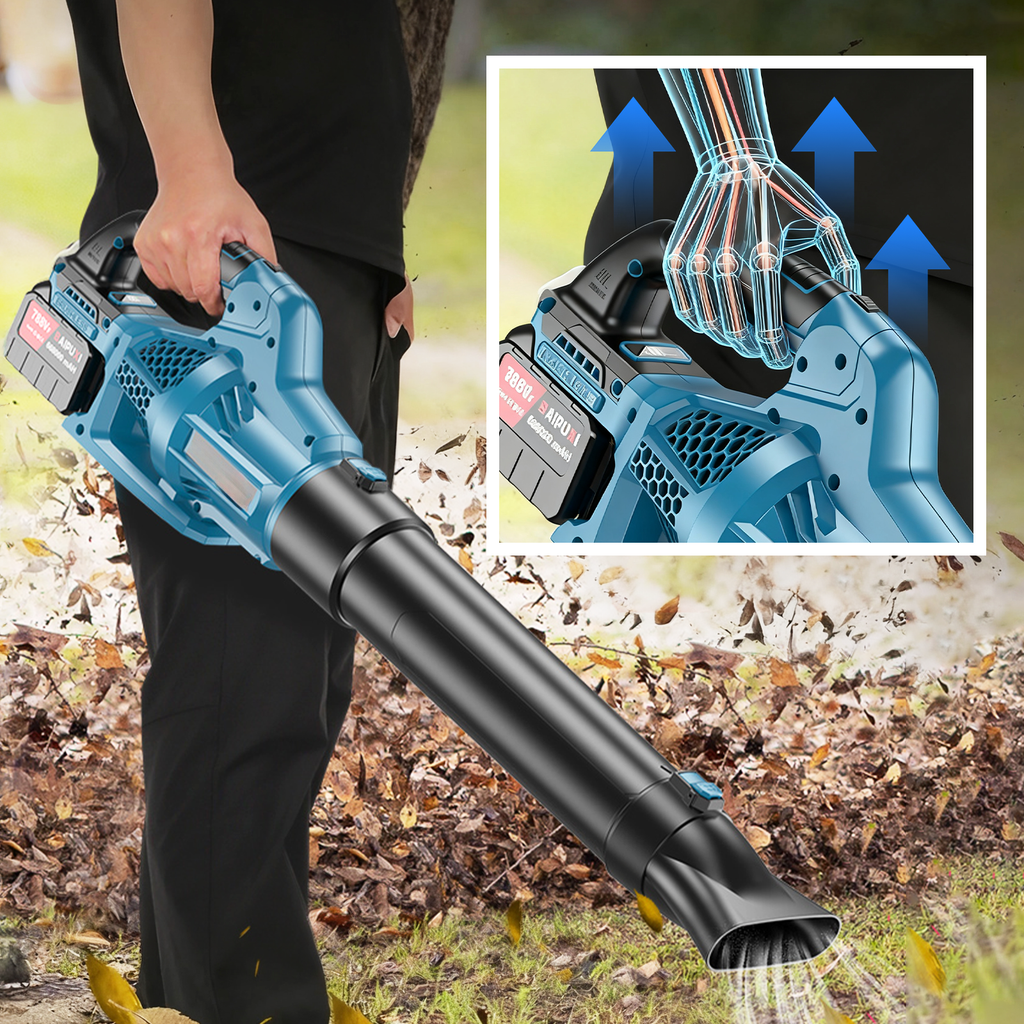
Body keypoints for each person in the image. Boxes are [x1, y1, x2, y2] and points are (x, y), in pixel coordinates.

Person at [64, 2, 452, 1021]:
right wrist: (191, 172)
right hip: (221, 249)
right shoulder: (213, 213)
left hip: (313, 256)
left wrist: (375, 248)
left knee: (298, 680)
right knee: (246, 684)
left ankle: (195, 999)